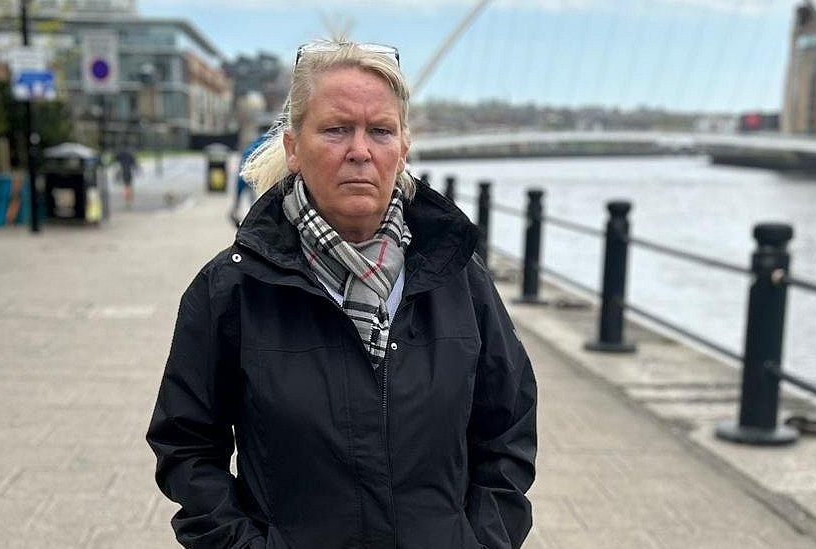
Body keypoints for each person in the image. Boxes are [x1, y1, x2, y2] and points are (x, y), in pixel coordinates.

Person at [147, 39, 537, 549]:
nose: (360, 150)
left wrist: (482, 540)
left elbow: (508, 430)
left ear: (402, 149)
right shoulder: (232, 289)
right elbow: (187, 445)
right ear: (293, 148)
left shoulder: (461, 280)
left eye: (380, 130)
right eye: (336, 129)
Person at [229, 131, 269, 228]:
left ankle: (237, 214)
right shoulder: (265, 143)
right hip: (250, 174)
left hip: (244, 173)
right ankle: (251, 222)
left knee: (244, 199)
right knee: (253, 201)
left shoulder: (255, 144)